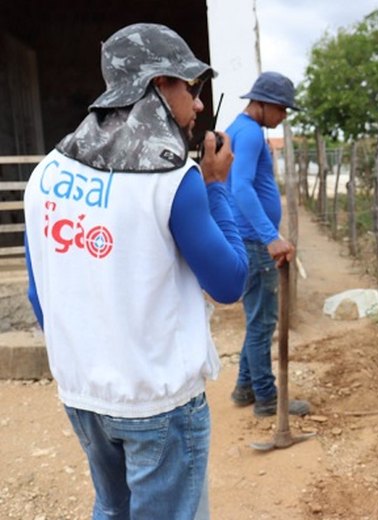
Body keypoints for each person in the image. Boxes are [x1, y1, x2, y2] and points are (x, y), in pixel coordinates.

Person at [23, 23, 248, 519]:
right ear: (160, 85)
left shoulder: (46, 175)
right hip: (157, 401)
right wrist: (216, 186)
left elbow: (40, 296)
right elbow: (230, 282)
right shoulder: (173, 181)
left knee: (112, 508)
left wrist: (91, 353)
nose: (200, 105)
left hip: (83, 393)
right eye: (191, 88)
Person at [226, 71, 308, 417]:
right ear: (263, 104)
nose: (284, 116)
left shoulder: (241, 130)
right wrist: (270, 236)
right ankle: (267, 399)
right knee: (262, 325)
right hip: (255, 243)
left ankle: (245, 388)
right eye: (282, 109)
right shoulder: (250, 136)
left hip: (248, 238)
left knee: (255, 319)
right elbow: (241, 188)